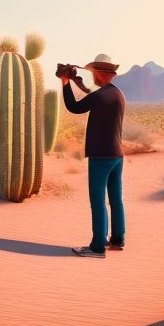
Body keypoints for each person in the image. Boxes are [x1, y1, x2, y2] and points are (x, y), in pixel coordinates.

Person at [59, 53, 126, 258]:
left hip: (101, 156)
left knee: (97, 200)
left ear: (100, 72)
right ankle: (118, 239)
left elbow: (74, 107)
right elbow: (92, 94)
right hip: (117, 155)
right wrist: (76, 81)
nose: (92, 75)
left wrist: (65, 82)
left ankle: (98, 247)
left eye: (93, 72)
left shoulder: (100, 96)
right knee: (116, 199)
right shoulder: (116, 94)